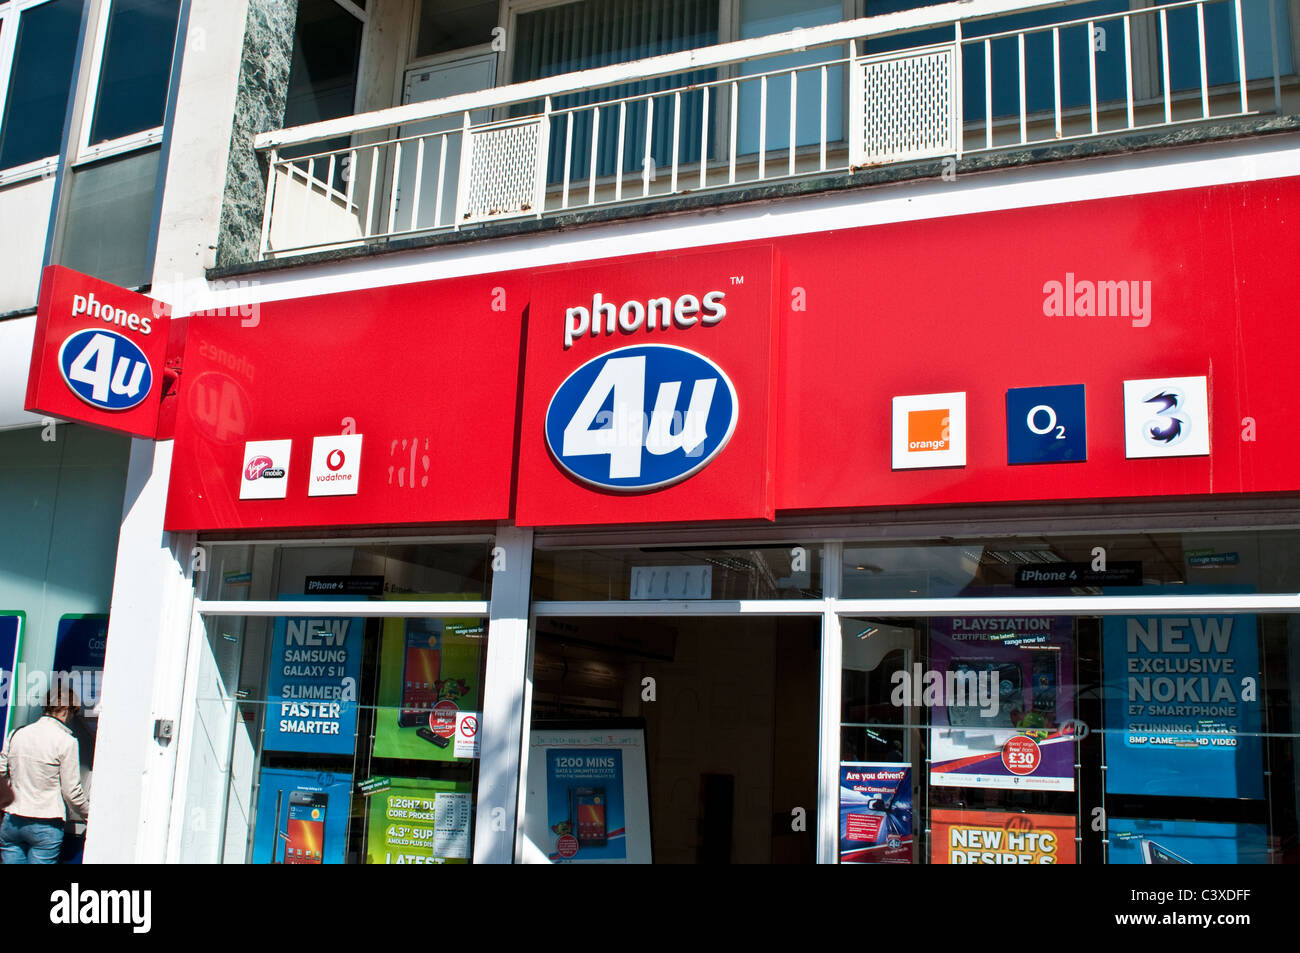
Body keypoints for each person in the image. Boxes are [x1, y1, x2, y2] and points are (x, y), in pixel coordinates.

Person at [0, 679, 91, 864]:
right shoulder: (67, 741)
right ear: (67, 710)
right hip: (46, 822)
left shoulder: (17, 733)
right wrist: (90, 814)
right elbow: (71, 792)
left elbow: (2, 771)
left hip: (12, 820)